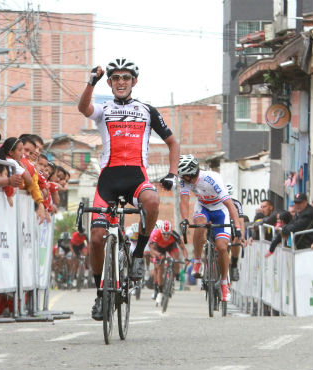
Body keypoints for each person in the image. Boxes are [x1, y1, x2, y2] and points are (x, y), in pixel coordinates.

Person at [78, 58, 179, 320]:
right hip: (108, 181)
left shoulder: (147, 110)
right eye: (116, 78)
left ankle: (136, 255)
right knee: (97, 239)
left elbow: (172, 143)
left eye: (126, 77)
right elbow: (83, 107)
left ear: (134, 81)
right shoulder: (103, 109)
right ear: (110, 82)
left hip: (137, 176)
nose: (121, 81)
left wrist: (172, 174)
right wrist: (91, 82)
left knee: (153, 202)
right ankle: (101, 295)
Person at [178, 154, 242, 302]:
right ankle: (197, 261)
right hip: (203, 207)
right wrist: (185, 220)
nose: (183, 179)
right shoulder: (184, 181)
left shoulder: (212, 179)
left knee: (221, 247)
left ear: (192, 172)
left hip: (221, 210)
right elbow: (184, 201)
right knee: (199, 223)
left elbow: (230, 204)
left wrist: (237, 226)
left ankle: (224, 282)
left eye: (185, 176)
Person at [149, 220, 188, 304]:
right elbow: (151, 249)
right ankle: (159, 291)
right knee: (160, 268)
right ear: (161, 232)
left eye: (168, 234)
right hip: (159, 249)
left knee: (176, 258)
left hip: (171, 246)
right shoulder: (156, 234)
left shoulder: (174, 234)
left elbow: (183, 248)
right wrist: (159, 255)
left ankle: (176, 276)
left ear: (171, 232)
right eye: (164, 234)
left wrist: (186, 258)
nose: (166, 236)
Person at [225, 183, 245, 282]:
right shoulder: (214, 203)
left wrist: (242, 237)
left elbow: (241, 221)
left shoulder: (236, 204)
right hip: (220, 226)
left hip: (231, 226)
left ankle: (234, 265)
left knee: (236, 239)